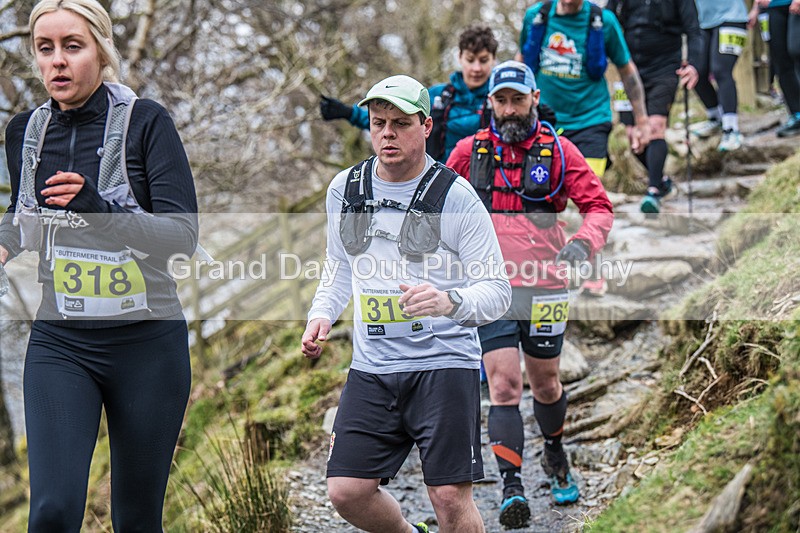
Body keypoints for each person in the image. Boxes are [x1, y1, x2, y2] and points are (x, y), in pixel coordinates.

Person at [0, 0, 198, 530]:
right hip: (62, 344)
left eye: (72, 46)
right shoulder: (25, 131)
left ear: (101, 52)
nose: (57, 62)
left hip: (147, 346)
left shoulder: (146, 123)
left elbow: (183, 237)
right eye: (45, 49)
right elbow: (24, 223)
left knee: (135, 519)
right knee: (51, 512)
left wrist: (99, 211)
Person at [302, 74, 511, 533]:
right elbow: (339, 266)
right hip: (374, 367)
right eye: (378, 123)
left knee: (450, 498)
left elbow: (498, 290)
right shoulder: (346, 188)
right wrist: (321, 314)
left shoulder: (457, 197)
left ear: (426, 126)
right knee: (347, 491)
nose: (387, 133)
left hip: (444, 363)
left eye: (400, 123)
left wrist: (448, 300)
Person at [447, 61, 613, 529]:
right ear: (491, 104)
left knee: (545, 384)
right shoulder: (467, 151)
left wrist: (582, 244)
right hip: (491, 288)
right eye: (501, 100)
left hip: (546, 286)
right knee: (502, 386)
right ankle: (511, 487)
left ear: (534, 98)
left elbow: (598, 206)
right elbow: (432, 203)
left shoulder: (560, 150)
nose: (509, 108)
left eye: (517, 99)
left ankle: (556, 454)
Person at [319, 24, 498, 162]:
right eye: (470, 59)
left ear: (493, 59)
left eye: (483, 60)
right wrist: (349, 113)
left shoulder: (501, 100)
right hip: (439, 187)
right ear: (459, 57)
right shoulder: (437, 96)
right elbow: (392, 119)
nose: (476, 68)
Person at [516, 0, 651, 179]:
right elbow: (522, 59)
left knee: (588, 191)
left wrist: (641, 120)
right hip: (543, 121)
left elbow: (627, 72)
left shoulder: (605, 22)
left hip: (590, 122)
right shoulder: (535, 17)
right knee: (540, 190)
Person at [607, 0, 702, 214]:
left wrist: (694, 64)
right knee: (632, 137)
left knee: (655, 126)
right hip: (629, 70)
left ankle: (653, 192)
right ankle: (661, 182)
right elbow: (606, 21)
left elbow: (694, 30)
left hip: (665, 68)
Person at [691, 0, 750, 151]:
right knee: (695, 72)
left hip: (732, 18)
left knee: (721, 71)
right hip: (702, 22)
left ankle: (731, 129)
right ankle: (716, 117)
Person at [750, 0, 800, 137]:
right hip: (773, 6)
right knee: (780, 60)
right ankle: (796, 114)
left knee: (796, 50)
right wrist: (756, 8)